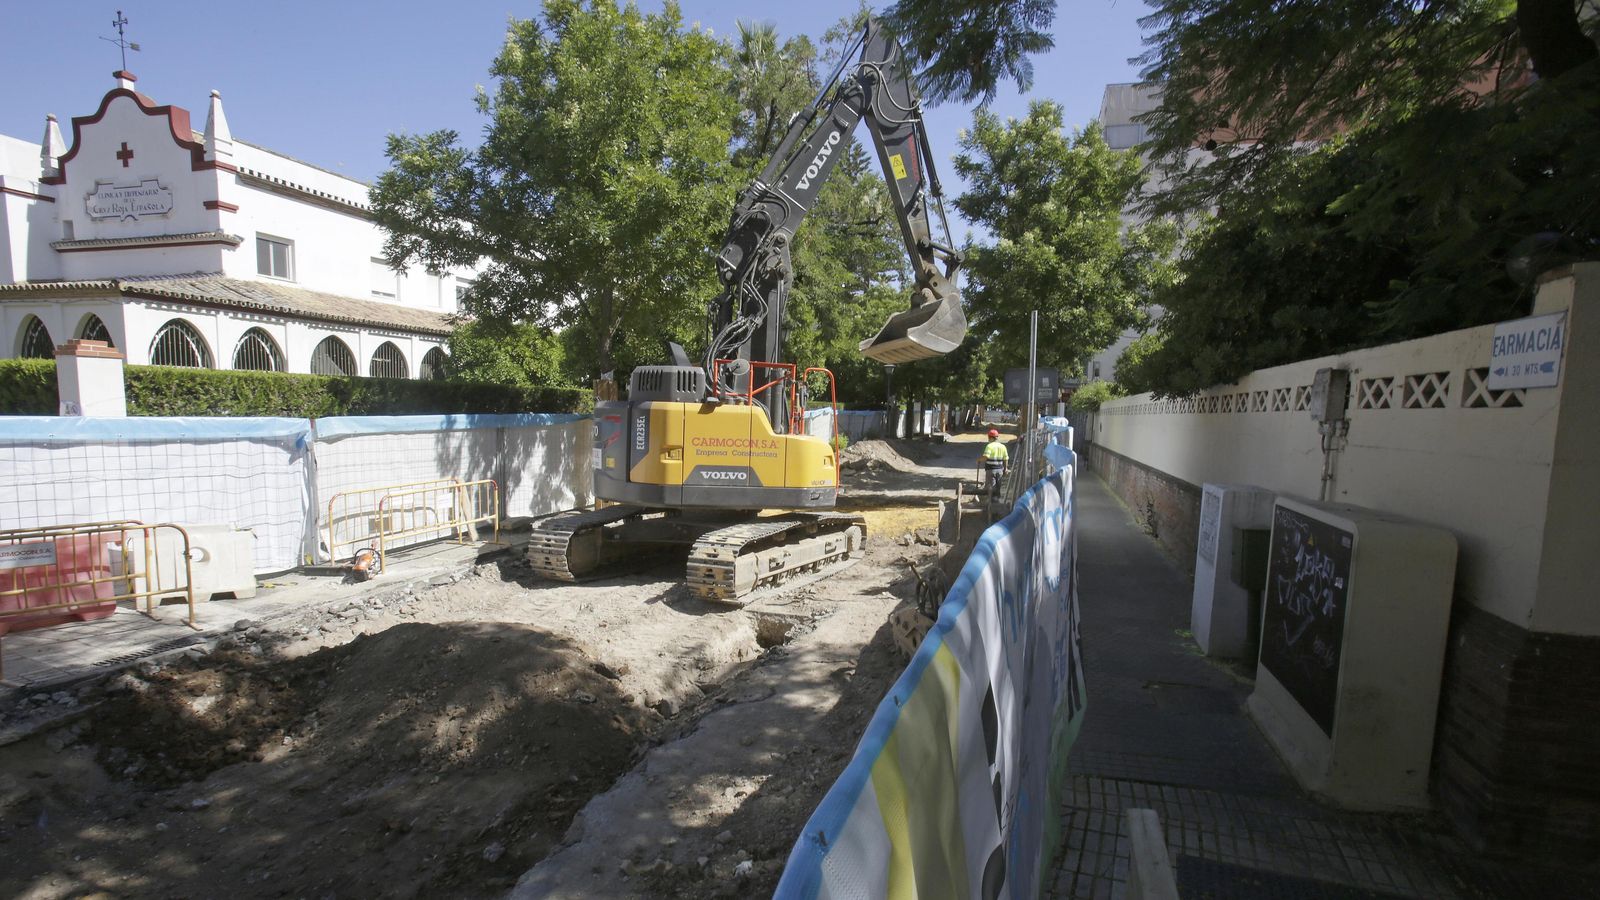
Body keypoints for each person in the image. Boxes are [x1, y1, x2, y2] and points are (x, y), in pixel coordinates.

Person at [981, 428, 1009, 499]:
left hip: (991, 470)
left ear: (990, 437)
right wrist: (1005, 469)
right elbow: (1006, 459)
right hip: (1000, 470)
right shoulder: (1003, 446)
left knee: (990, 486)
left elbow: (985, 457)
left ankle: (990, 502)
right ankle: (997, 500)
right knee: (998, 486)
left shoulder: (989, 446)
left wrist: (979, 460)